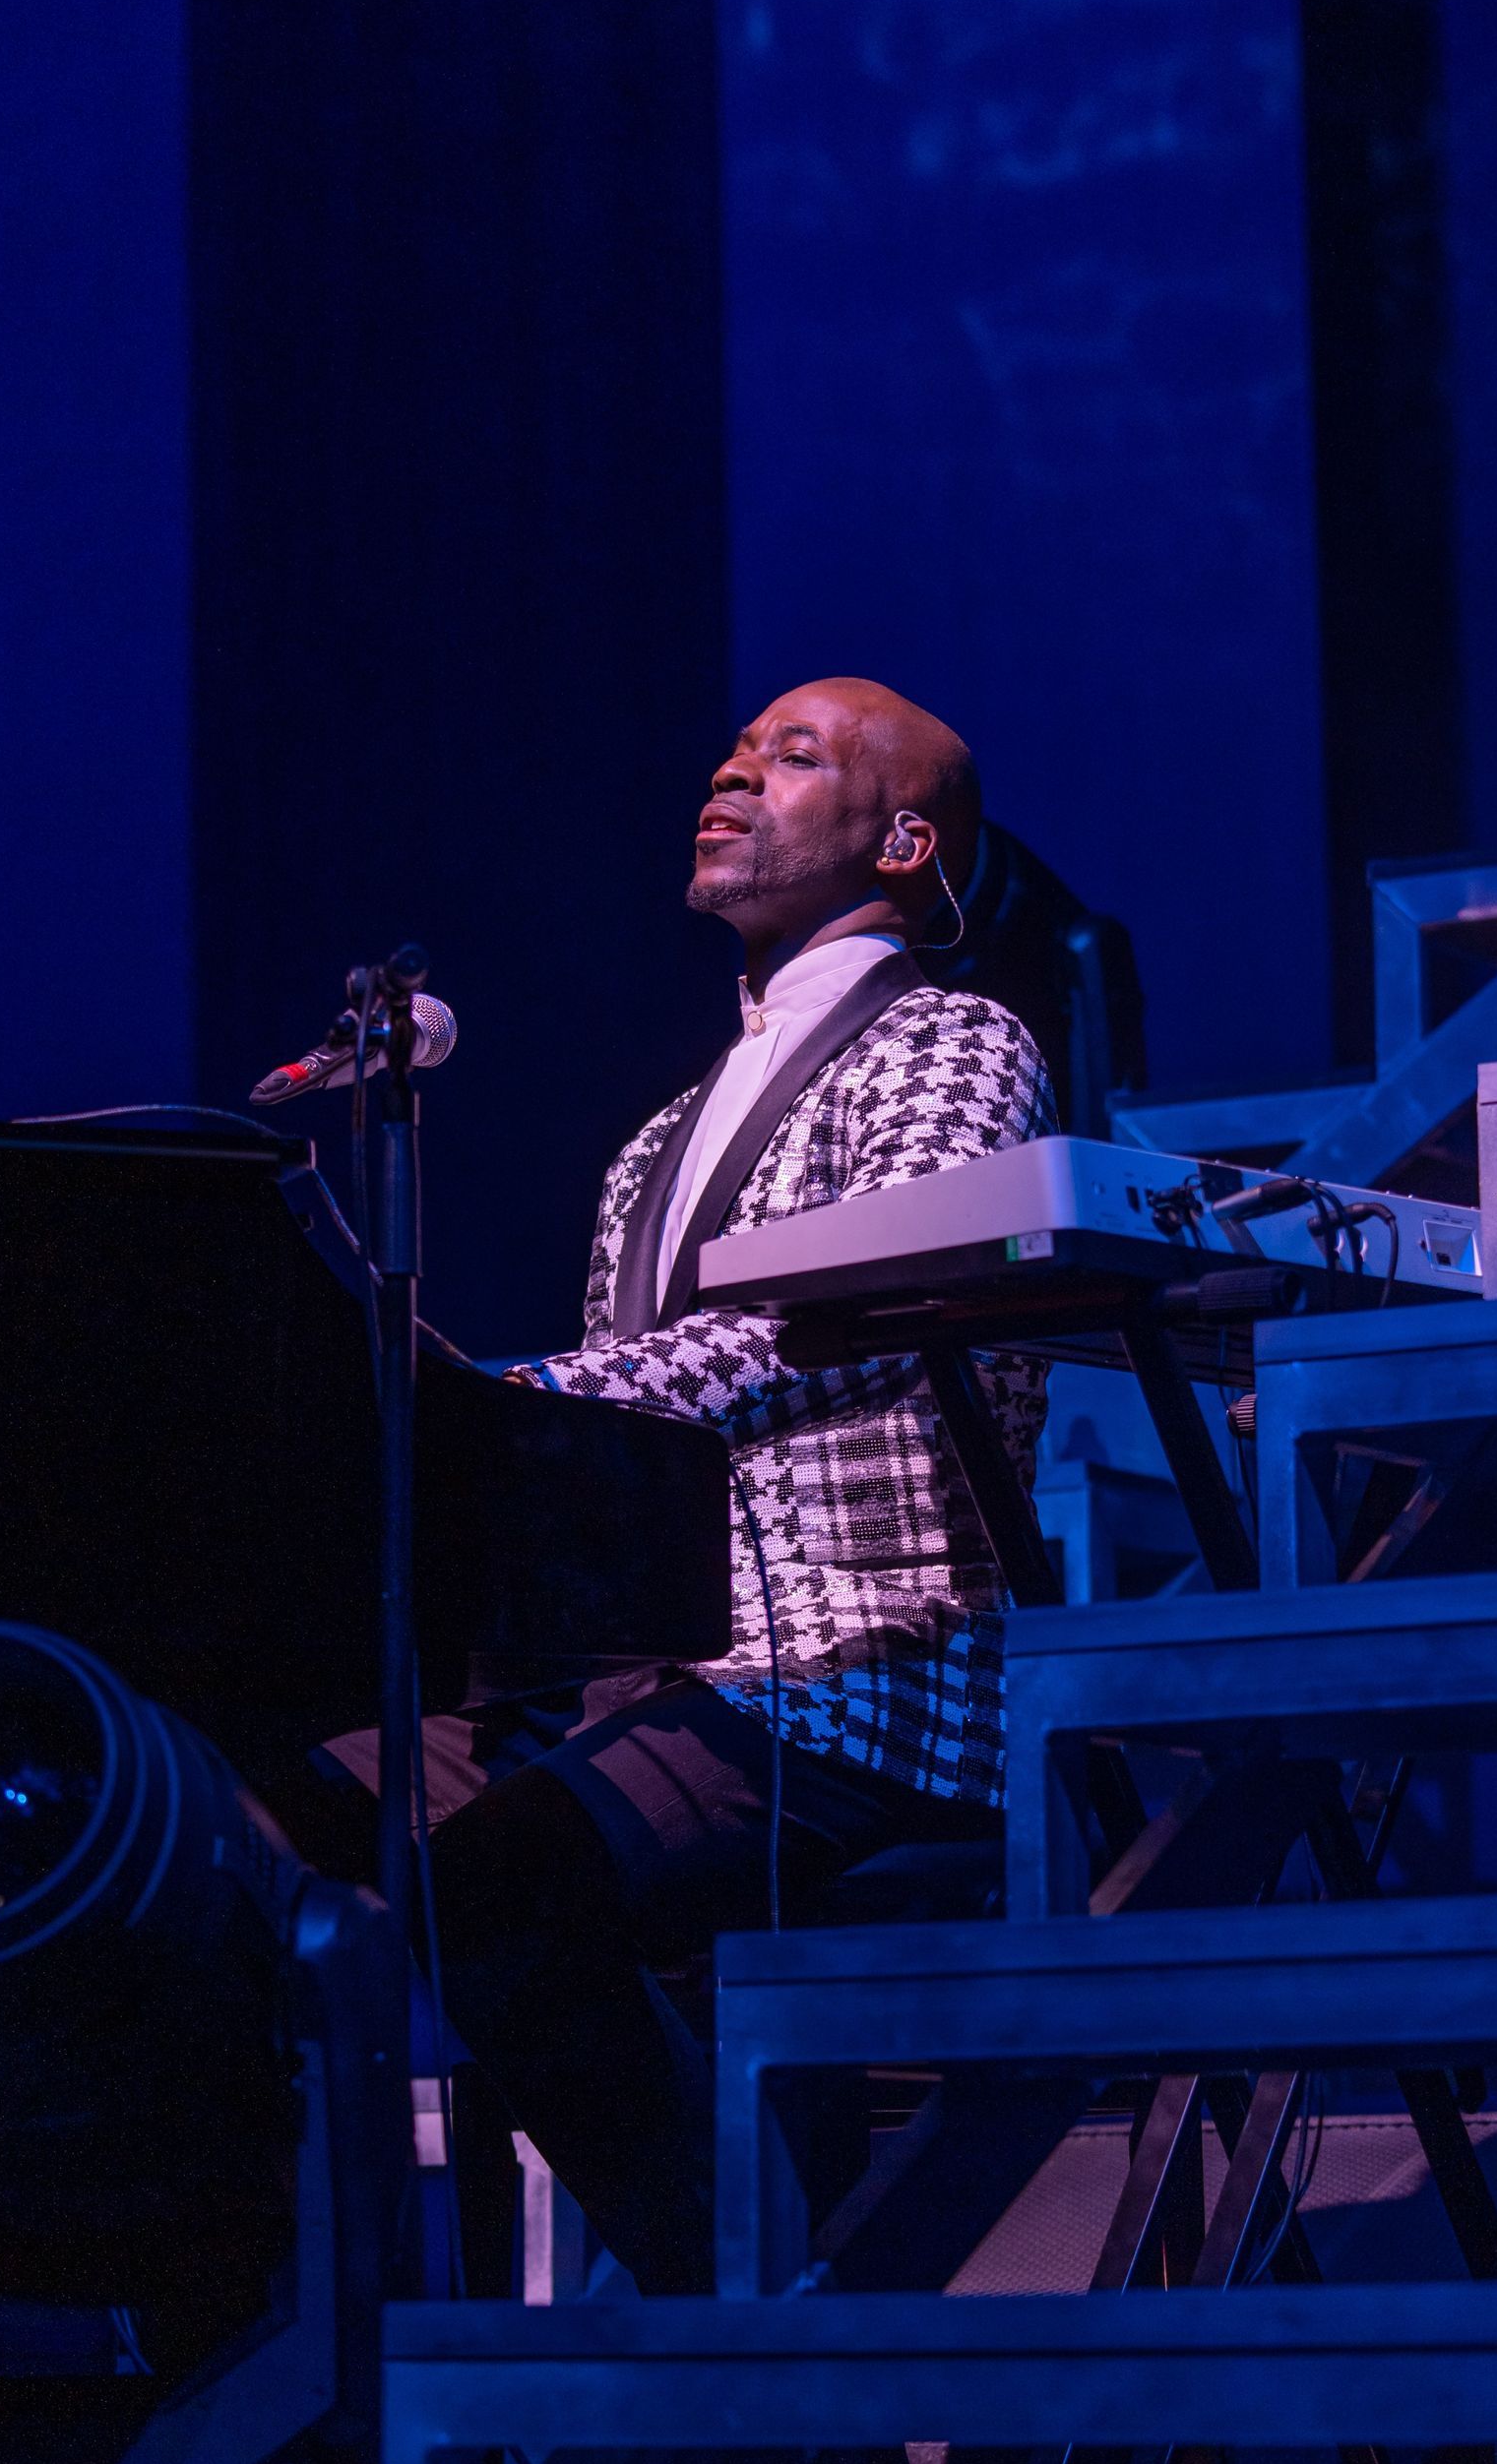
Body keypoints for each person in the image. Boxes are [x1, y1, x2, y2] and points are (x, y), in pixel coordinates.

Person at [286, 677, 1056, 2292]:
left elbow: (847, 1320)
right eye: (733, 750)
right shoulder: (654, 1143)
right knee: (271, 1804)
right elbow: (608, 1469)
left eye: (794, 755)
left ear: (904, 842)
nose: (732, 771)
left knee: (499, 1885)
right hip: (652, 1674)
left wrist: (508, 1393)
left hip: (868, 1669)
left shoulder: (956, 1040)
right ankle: (294, 2347)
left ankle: (744, 2333)